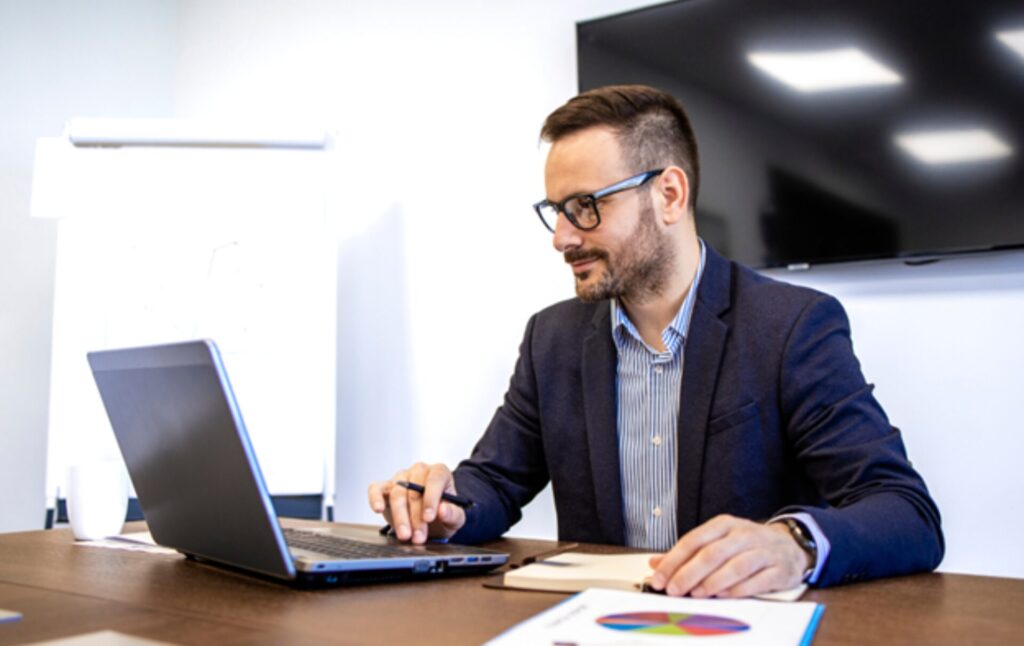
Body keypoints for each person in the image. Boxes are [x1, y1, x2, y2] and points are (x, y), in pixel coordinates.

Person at [368, 84, 943, 597]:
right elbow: (495, 481)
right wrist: (441, 506)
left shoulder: (790, 326)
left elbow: (905, 512)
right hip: (598, 628)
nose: (563, 238)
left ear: (669, 194)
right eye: (556, 211)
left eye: (585, 207)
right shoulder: (553, 338)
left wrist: (794, 544)